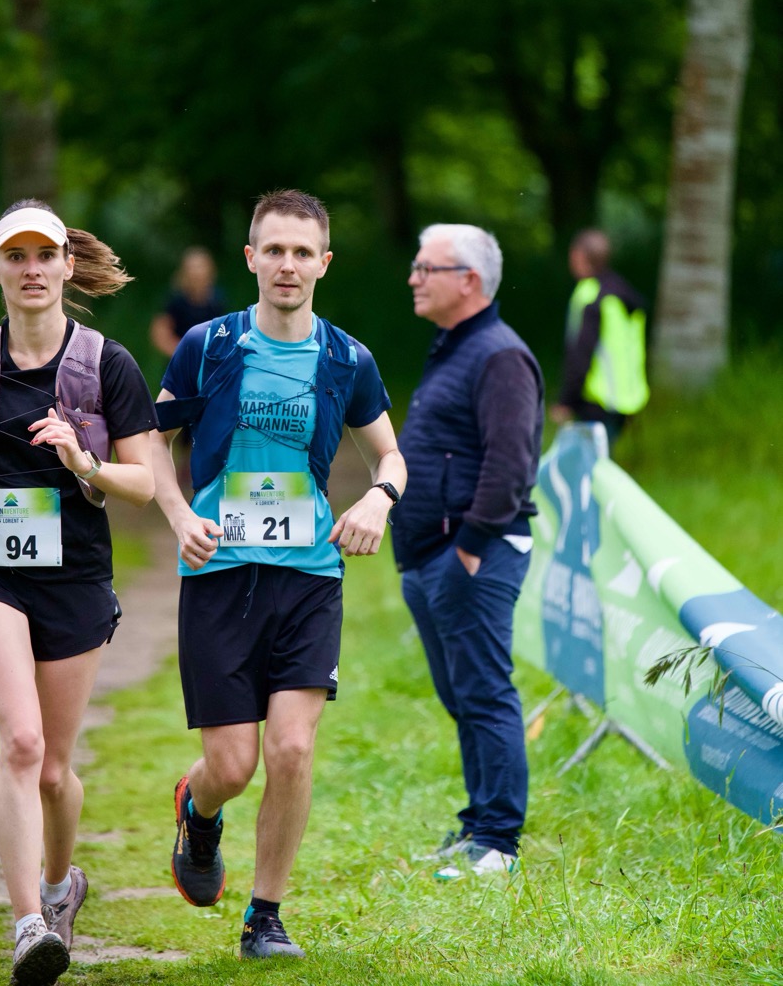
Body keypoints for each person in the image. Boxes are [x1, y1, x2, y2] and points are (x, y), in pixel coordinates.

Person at [151, 189, 406, 960]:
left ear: (323, 263)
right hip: (219, 572)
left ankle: (264, 917)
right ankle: (198, 809)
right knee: (232, 765)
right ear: (251, 258)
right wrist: (178, 516)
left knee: (291, 749)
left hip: (308, 577)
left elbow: (389, 455)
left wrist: (378, 499)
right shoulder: (208, 345)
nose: (287, 265)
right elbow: (152, 444)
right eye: (274, 250)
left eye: (302, 252)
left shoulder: (346, 359)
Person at [0, 200, 157, 986]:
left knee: (55, 769)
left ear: (67, 265)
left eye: (44, 255)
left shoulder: (107, 364)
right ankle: (29, 922)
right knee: (20, 743)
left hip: (74, 573)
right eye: (16, 257)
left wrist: (82, 460)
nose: (31, 269)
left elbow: (144, 482)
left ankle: (61, 887)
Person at [391, 224, 543, 880]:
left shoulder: (499, 355)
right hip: (430, 555)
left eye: (427, 268)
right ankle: (479, 823)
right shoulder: (455, 347)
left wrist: (470, 550)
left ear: (469, 281)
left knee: (484, 692)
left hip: (471, 554)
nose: (414, 278)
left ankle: (499, 843)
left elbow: (511, 463)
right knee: (463, 696)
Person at [549, 229, 649, 448]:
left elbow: (580, 353)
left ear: (578, 256)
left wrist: (567, 400)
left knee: (590, 463)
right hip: (627, 398)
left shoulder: (589, 295)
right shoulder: (623, 291)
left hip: (596, 399)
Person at [149, 247, 227, 359]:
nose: (197, 273)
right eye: (193, 268)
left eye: (200, 267)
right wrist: (185, 353)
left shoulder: (217, 300)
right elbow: (160, 334)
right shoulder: (175, 300)